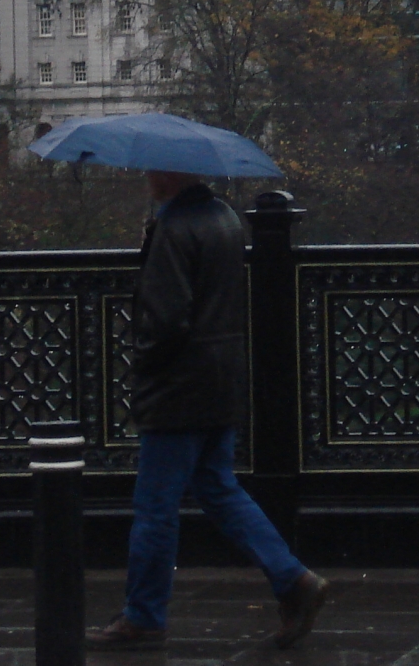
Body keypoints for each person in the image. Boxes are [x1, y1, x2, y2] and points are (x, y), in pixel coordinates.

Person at [86, 170, 327, 651]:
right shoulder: (223, 217)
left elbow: (166, 318)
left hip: (178, 386)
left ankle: (144, 615)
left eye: (153, 168)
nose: (146, 176)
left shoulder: (175, 228)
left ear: (172, 175)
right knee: (219, 487)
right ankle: (293, 578)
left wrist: (144, 365)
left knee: (155, 507)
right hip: (220, 377)